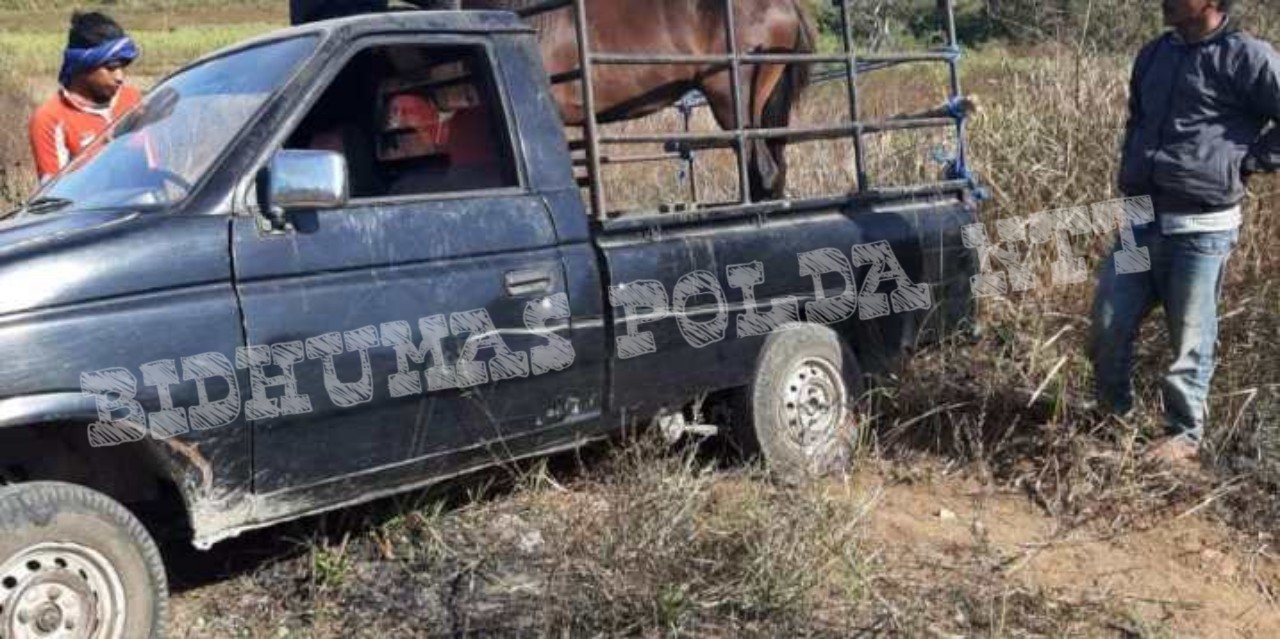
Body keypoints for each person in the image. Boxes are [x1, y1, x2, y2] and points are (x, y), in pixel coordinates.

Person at [1090, 0, 1278, 462]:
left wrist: (1248, 161)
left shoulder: (1247, 56)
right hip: (1139, 220)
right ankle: (1111, 422)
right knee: (1107, 324)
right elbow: (1137, 119)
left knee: (1190, 339)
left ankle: (1183, 438)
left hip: (1201, 228)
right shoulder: (1155, 53)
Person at [27, 11, 141, 183]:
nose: (120, 77)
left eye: (123, 68)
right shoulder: (50, 119)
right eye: (110, 68)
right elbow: (56, 195)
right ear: (82, 66)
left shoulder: (132, 98)